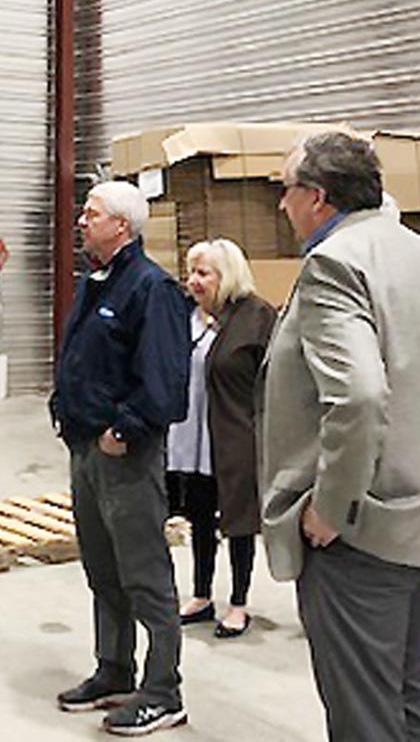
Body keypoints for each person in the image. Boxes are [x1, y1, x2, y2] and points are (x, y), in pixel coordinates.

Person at [259, 132, 420, 740]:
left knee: (365, 718)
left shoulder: (334, 264)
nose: (282, 205)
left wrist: (332, 506)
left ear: (319, 198)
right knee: (419, 704)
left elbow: (357, 395)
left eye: (286, 191)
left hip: (361, 535)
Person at [50, 180, 192, 736]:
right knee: (102, 568)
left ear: (123, 226)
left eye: (92, 213)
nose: (82, 220)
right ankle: (114, 669)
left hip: (124, 454)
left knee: (145, 574)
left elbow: (165, 383)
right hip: (86, 450)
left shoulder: (152, 289)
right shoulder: (96, 282)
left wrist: (124, 430)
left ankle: (163, 689)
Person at [167, 239, 275, 639]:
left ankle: (239, 602)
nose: (193, 281)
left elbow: (275, 381)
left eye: (203, 273)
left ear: (226, 276)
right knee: (199, 515)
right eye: (191, 272)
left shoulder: (256, 317)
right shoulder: (189, 317)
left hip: (234, 438)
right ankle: (200, 594)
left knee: (239, 523)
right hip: (192, 437)